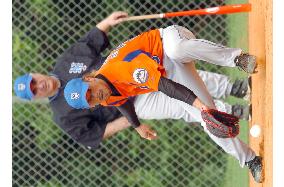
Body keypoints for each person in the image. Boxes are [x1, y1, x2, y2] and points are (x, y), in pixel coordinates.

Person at [13, 15, 262, 182]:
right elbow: (120, 103)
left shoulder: (116, 71)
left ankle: (237, 59)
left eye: (33, 81)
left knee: (179, 52)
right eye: (91, 99)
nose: (95, 96)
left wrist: (198, 105)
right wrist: (137, 125)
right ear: (93, 105)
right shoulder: (93, 101)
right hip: (144, 90)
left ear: (89, 78)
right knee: (207, 121)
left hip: (166, 46)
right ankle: (250, 160)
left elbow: (165, 85)